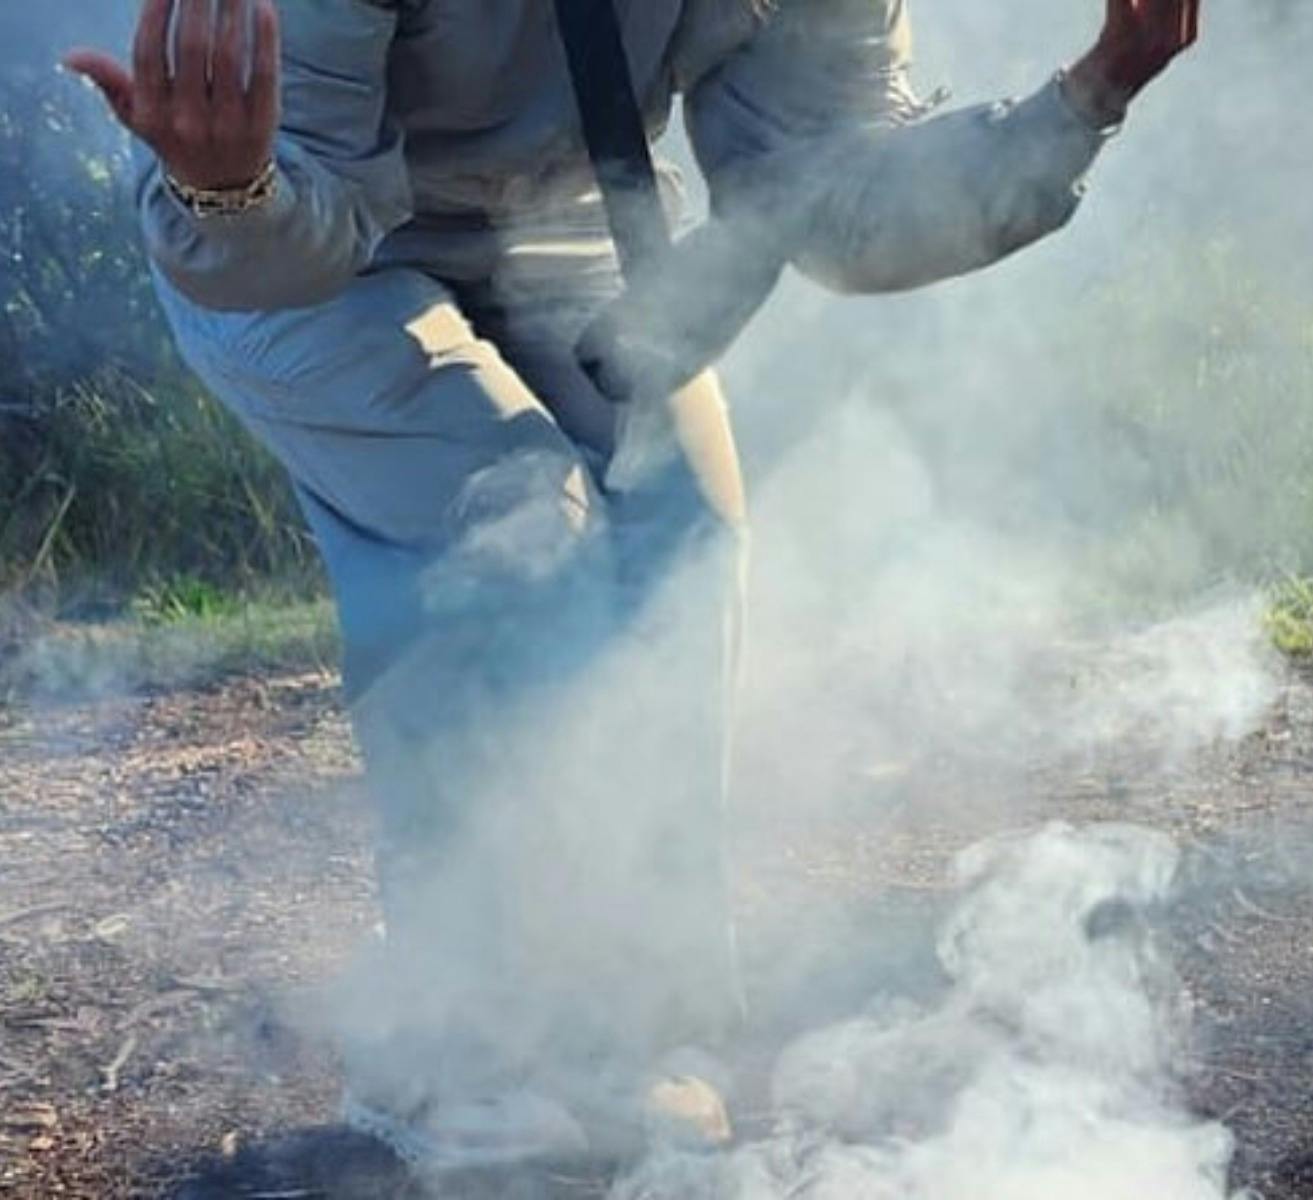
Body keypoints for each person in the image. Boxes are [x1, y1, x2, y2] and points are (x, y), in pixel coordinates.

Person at [65, 0, 1202, 1174]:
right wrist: (229, 190)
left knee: (684, 539)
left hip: (567, 234)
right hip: (302, 249)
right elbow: (280, 234)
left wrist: (1088, 99)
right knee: (512, 524)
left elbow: (835, 196)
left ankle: (627, 1035)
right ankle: (446, 1048)